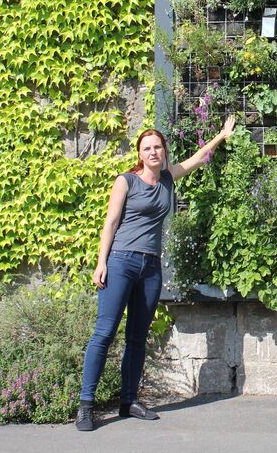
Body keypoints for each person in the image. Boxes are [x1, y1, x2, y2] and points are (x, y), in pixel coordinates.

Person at [75, 116, 235, 432]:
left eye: (157, 147)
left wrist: (221, 136)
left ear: (163, 151)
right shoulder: (126, 181)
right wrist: (101, 262)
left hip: (150, 268)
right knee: (104, 332)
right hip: (120, 262)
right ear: (140, 152)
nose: (152, 152)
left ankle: (128, 401)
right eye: (147, 148)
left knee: (137, 336)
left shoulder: (167, 179)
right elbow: (110, 223)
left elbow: (196, 160)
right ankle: (86, 405)